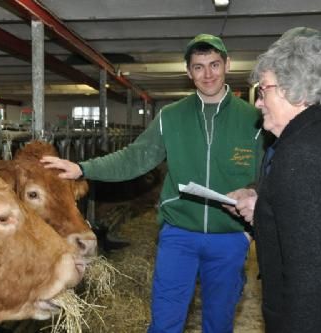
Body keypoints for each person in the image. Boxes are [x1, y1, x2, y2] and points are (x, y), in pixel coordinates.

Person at [42, 34, 264, 333]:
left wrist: (251, 232)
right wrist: (82, 167)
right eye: (199, 67)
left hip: (229, 236)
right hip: (179, 234)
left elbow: (267, 175)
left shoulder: (253, 119)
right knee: (165, 321)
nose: (208, 74)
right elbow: (135, 158)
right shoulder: (171, 116)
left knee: (219, 321)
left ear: (227, 65)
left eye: (214, 64)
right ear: (189, 73)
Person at [228, 27, 321, 333]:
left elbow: (311, 280)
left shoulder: (301, 158)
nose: (258, 101)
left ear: (295, 89)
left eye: (264, 88)